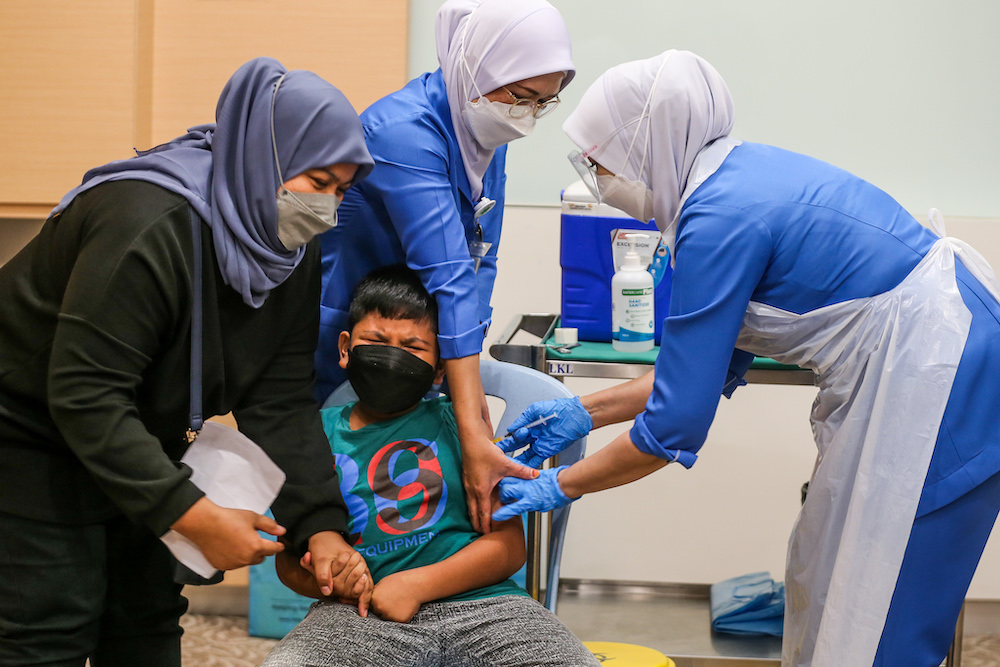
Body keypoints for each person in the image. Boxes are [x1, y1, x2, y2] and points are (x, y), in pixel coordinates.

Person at [492, 50, 1000, 667]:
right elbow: (695, 373)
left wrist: (559, 485)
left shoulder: (718, 217)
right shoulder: (726, 185)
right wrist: (580, 412)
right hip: (930, 357)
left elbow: (673, 428)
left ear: (645, 148)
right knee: (830, 576)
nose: (596, 178)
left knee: (882, 602)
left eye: (601, 161)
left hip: (941, 376)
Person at [0, 57, 376, 665]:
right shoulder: (147, 222)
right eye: (318, 182)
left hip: (139, 431)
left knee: (145, 613)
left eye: (342, 191)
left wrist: (320, 526)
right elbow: (86, 393)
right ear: (267, 159)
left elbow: (279, 400)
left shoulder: (286, 250)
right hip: (26, 432)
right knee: (49, 621)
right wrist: (190, 514)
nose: (327, 209)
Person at [314, 0, 576, 533]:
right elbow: (450, 275)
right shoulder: (402, 132)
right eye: (521, 97)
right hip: (362, 339)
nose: (526, 116)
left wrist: (458, 377)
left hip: (428, 349)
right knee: (357, 507)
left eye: (543, 104)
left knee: (429, 511)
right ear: (477, 67)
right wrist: (471, 412)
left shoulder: (483, 132)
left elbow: (483, 257)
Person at [262, 265, 599, 667]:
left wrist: (415, 585)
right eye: (376, 340)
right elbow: (287, 561)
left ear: (441, 367)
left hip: (489, 608)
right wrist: (330, 581)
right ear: (345, 347)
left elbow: (509, 546)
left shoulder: (464, 428)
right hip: (357, 614)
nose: (392, 355)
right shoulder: (312, 439)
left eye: (413, 346)